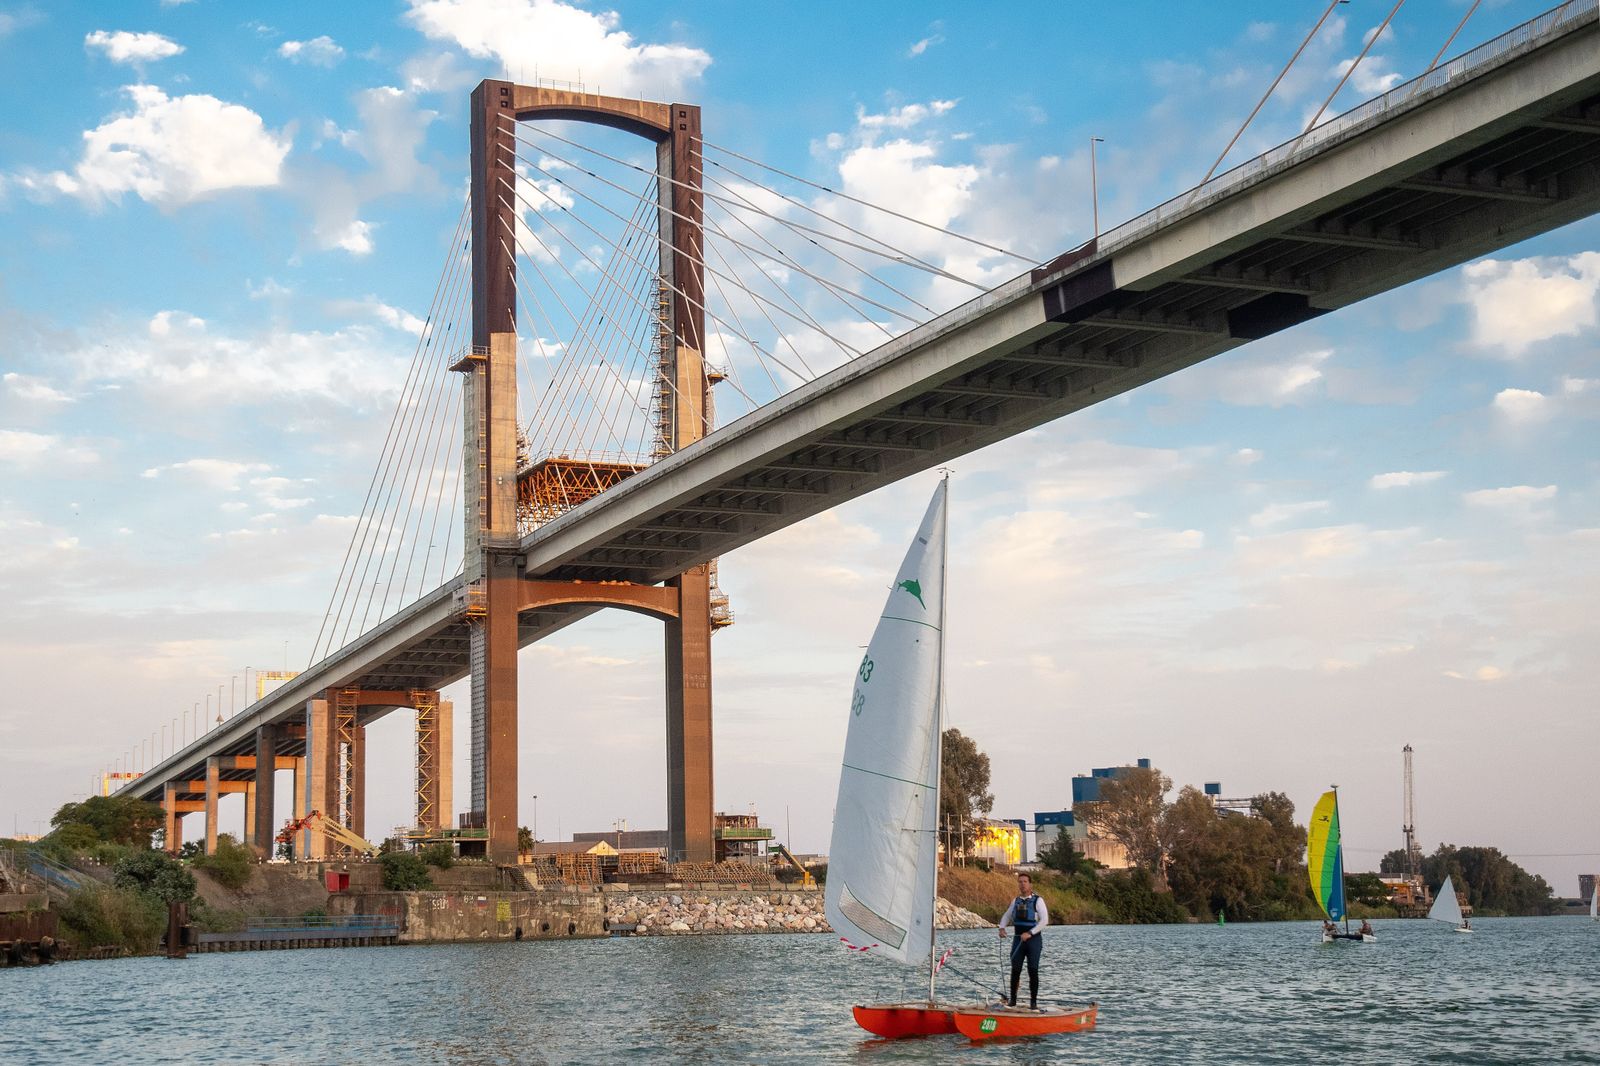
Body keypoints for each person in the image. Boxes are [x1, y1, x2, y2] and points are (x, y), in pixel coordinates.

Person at [997, 871, 1049, 1010]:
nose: (1022, 884)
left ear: (1030, 884)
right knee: (1015, 969)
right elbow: (1007, 916)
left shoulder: (1038, 901)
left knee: (1033, 969)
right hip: (1018, 940)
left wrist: (1030, 933)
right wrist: (1002, 928)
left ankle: (1033, 1003)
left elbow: (1044, 921)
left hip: (1033, 940)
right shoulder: (1016, 901)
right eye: (1020, 882)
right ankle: (1012, 1001)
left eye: (1025, 881)